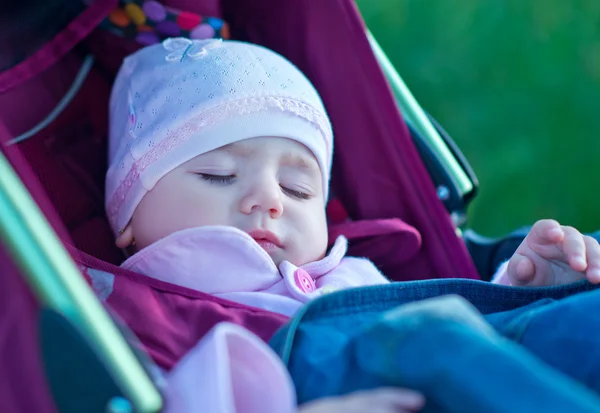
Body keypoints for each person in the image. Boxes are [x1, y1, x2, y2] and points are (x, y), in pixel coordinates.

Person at [105, 37, 600, 412]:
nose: (270, 200)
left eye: (299, 189)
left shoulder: (353, 270)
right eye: (219, 175)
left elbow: (487, 338)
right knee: (433, 336)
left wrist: (518, 286)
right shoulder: (132, 309)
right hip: (348, 373)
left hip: (461, 349)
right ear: (126, 219)